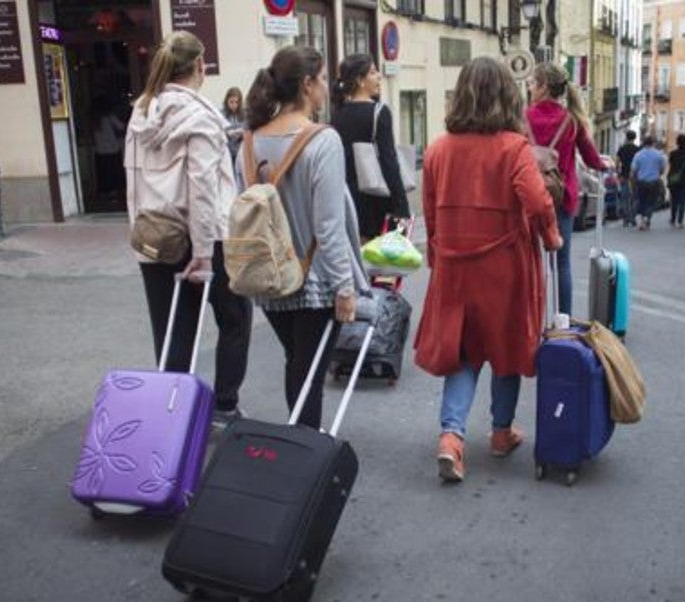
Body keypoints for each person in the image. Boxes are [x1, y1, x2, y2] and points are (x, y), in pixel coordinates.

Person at [415, 56, 562, 483]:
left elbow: (429, 211)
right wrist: (551, 235)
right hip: (504, 266)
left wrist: (437, 256)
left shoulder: (439, 148)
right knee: (506, 348)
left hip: (455, 265)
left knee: (462, 352)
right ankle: (501, 433)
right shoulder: (513, 148)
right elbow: (536, 201)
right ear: (506, 96)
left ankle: (451, 438)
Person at [125, 30, 252, 425]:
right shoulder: (200, 118)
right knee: (235, 317)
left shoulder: (141, 112)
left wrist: (140, 231)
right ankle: (224, 405)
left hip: (152, 234)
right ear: (200, 66)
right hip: (202, 237)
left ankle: (172, 415)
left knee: (171, 332)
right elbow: (201, 189)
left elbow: (134, 178)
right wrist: (201, 252)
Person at [240, 46, 369, 430]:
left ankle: (299, 444)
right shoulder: (322, 141)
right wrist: (345, 287)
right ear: (308, 84)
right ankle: (302, 452)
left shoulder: (249, 142)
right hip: (314, 279)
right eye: (325, 79)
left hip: (270, 278)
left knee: (297, 363)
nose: (329, 86)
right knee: (308, 372)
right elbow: (328, 225)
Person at [525, 62, 603, 317]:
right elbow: (591, 158)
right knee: (562, 263)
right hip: (562, 197)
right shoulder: (572, 120)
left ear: (544, 86)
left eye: (533, 83)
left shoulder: (523, 117)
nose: (529, 87)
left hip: (529, 196)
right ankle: (563, 321)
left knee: (529, 263)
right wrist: (604, 164)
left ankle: (532, 319)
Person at [330, 53, 410, 242]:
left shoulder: (338, 113)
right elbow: (389, 161)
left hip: (348, 198)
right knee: (385, 262)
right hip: (378, 198)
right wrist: (401, 205)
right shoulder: (379, 112)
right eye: (373, 72)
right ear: (360, 80)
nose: (379, 76)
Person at [629, 135, 667, 231]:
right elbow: (662, 169)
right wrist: (657, 173)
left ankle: (643, 221)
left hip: (641, 182)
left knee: (642, 202)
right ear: (653, 143)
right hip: (654, 182)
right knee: (652, 202)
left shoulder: (638, 155)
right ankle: (647, 218)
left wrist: (632, 181)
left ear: (644, 143)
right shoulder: (659, 155)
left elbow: (633, 170)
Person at [93, 97, 126, 199]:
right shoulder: (110, 117)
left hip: (99, 149)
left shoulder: (94, 119)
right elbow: (121, 127)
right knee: (114, 171)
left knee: (103, 173)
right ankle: (115, 192)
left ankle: (104, 192)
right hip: (112, 148)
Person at [666, 134, 685, 229]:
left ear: (677, 142)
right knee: (683, 201)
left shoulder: (672, 154)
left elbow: (671, 166)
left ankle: (673, 219)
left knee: (674, 200)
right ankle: (680, 221)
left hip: (674, 179)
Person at [616, 130, 640, 226]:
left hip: (624, 175)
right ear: (635, 138)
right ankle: (633, 218)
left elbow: (617, 162)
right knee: (634, 198)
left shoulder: (622, 149)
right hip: (635, 177)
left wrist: (618, 173)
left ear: (626, 137)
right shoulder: (638, 150)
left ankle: (625, 219)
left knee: (624, 197)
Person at [219, 86, 245, 164]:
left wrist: (241, 133)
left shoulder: (244, 114)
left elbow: (248, 130)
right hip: (226, 151)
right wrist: (226, 133)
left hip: (240, 150)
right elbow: (218, 131)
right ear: (227, 101)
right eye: (231, 102)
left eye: (236, 102)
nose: (234, 105)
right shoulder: (221, 114)